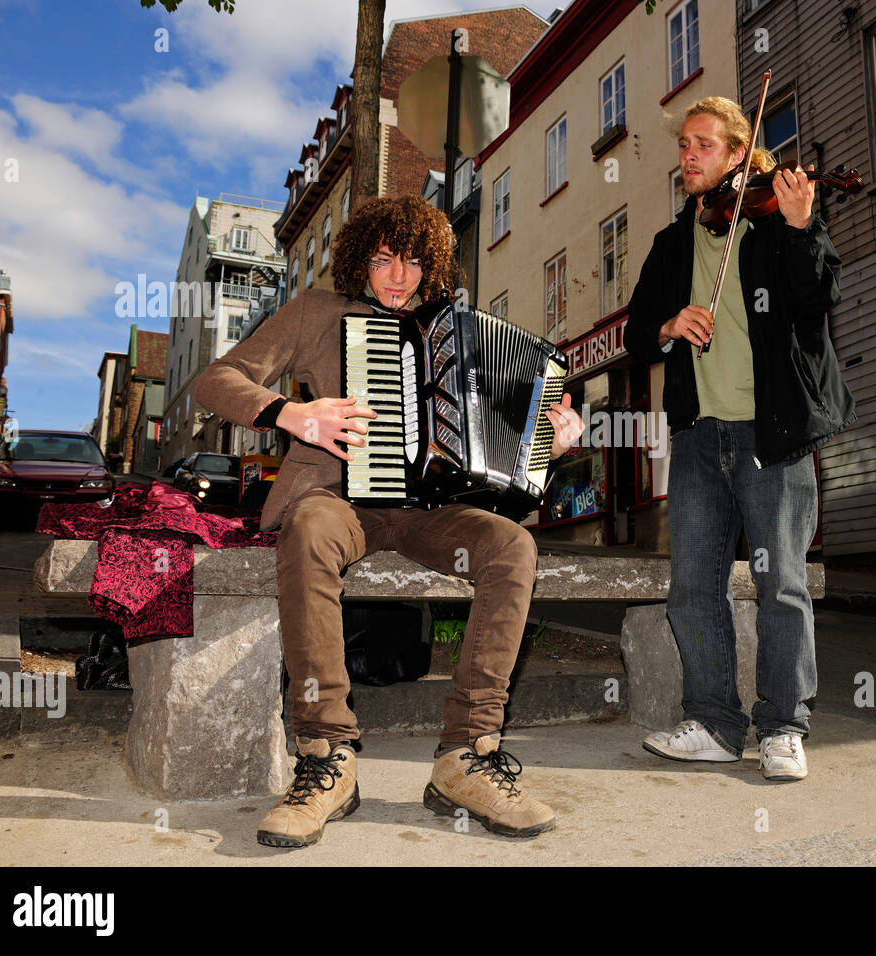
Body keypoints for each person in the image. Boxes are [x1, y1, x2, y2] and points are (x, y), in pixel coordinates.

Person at [194, 196, 584, 845]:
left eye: (411, 262)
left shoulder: (455, 332)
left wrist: (552, 437)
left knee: (512, 546)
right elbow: (218, 378)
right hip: (339, 497)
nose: (397, 277)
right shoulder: (317, 312)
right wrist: (292, 415)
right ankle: (326, 757)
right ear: (360, 262)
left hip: (432, 512)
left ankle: (466, 755)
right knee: (311, 529)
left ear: (432, 265)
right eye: (382, 260)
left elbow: (514, 450)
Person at [625, 96, 856, 781]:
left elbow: (818, 299)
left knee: (780, 581)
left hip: (771, 433)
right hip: (698, 437)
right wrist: (668, 326)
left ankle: (783, 726)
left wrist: (803, 222)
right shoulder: (672, 246)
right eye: (684, 146)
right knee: (693, 585)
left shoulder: (773, 227)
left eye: (703, 145)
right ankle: (715, 723)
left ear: (737, 156)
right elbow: (638, 335)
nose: (687, 156)